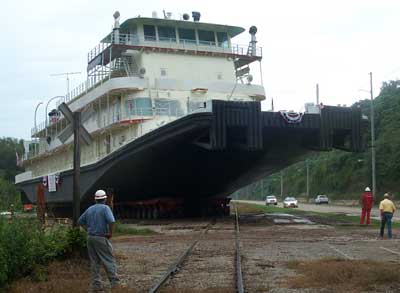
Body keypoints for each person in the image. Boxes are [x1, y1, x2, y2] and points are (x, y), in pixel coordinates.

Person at [78, 189, 120, 290]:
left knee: (94, 262)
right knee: (108, 260)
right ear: (105, 199)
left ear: (95, 199)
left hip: (90, 238)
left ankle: (96, 285)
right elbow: (111, 221)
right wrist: (110, 233)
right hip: (101, 237)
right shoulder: (105, 208)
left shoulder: (90, 209)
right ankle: (114, 284)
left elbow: (80, 221)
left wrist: (87, 229)